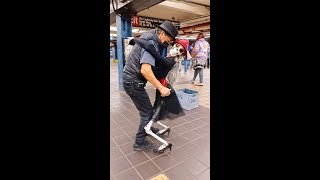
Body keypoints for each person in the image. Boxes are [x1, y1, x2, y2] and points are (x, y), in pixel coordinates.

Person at [122, 21, 178, 151]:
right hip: (133, 81)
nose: (168, 43)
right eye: (168, 39)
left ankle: (148, 127)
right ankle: (139, 142)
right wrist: (161, 88)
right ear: (162, 33)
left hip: (132, 80)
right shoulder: (151, 43)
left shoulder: (151, 36)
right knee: (146, 111)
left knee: (147, 109)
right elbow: (145, 70)